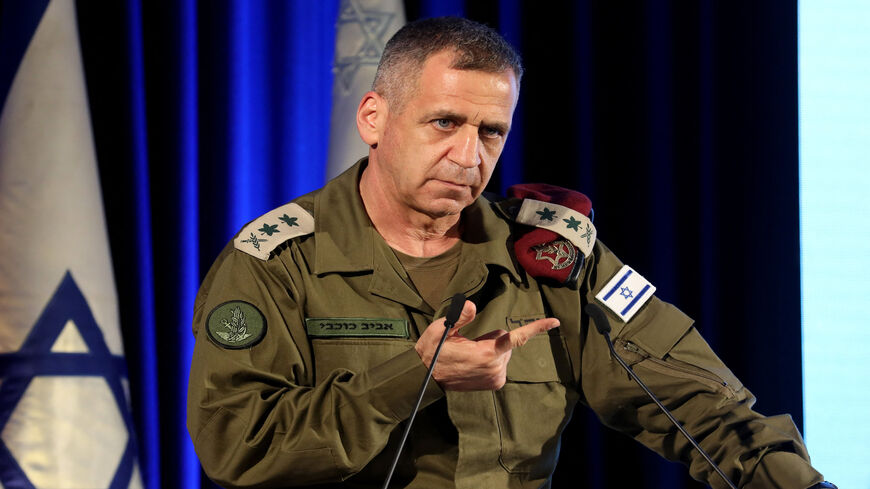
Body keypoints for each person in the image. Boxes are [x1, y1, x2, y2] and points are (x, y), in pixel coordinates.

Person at [187, 17, 833, 489]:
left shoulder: (550, 258)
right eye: (445, 123)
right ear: (373, 119)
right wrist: (416, 377)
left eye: (491, 131)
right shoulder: (276, 262)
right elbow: (237, 443)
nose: (470, 157)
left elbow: (704, 405)